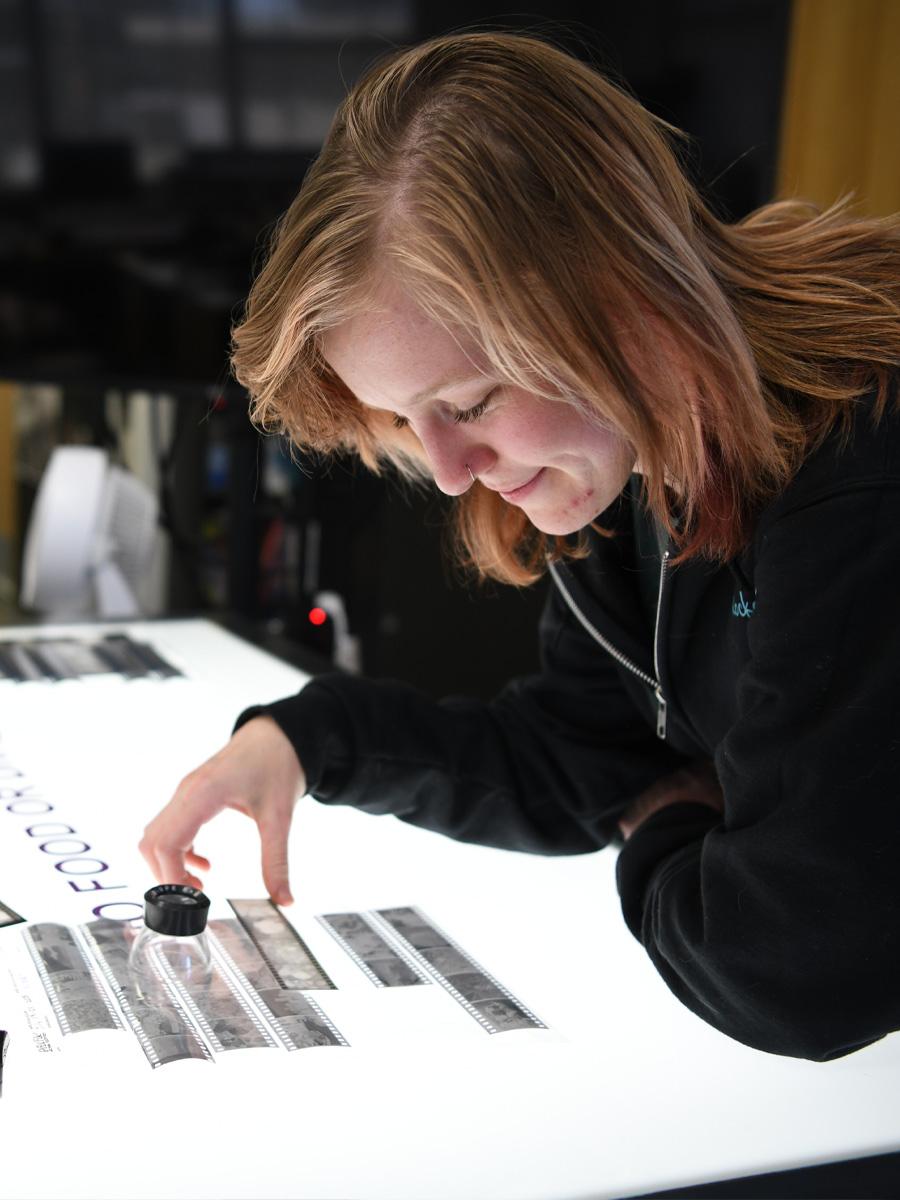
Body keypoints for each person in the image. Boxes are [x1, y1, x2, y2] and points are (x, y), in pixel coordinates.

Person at [139, 32, 900, 1061]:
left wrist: (662, 827)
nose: (451, 473)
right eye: (407, 420)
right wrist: (310, 742)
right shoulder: (626, 457)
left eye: (468, 403)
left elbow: (797, 968)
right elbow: (582, 755)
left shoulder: (860, 476)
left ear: (620, 290)